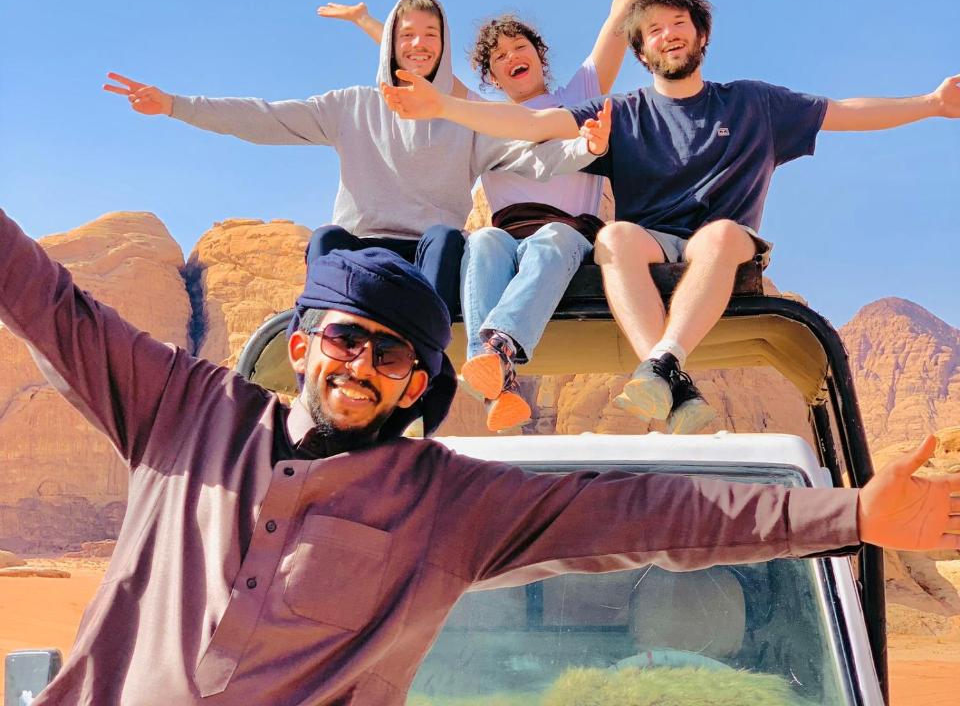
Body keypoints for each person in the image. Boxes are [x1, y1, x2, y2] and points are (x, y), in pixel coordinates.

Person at [3, 206, 959, 704]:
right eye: (347, 338)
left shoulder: (447, 504)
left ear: (419, 387)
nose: (364, 366)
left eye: (395, 357)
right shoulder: (184, 412)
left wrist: (857, 517)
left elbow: (656, 517)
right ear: (302, 343)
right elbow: (48, 301)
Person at [380, 0, 960, 434]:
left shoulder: (754, 103)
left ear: (701, 36)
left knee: (716, 237)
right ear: (641, 50)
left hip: (725, 247)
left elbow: (844, 111)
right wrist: (445, 107)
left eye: (678, 24)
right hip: (653, 247)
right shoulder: (624, 113)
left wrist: (931, 104)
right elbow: (530, 123)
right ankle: (674, 384)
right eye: (653, 29)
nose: (667, 34)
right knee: (612, 239)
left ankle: (662, 363)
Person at [318, 0, 674, 432]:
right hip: (508, 235)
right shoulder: (483, 119)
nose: (512, 58)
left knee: (549, 241)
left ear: (538, 55)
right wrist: (368, 23)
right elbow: (422, 66)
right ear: (490, 74)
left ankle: (498, 348)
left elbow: (620, 16)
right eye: (499, 56)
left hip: (568, 234)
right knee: (481, 240)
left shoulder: (579, 96)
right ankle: (496, 382)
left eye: (519, 48)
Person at [102, 0, 602, 317]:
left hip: (430, 254)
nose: (419, 44)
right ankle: (316, 352)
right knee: (325, 238)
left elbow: (533, 159)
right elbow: (265, 118)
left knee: (451, 237)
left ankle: (421, 357)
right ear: (391, 44)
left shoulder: (464, 117)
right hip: (364, 244)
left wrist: (584, 148)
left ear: (443, 47)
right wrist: (174, 105)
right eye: (406, 35)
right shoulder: (351, 106)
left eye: (431, 35)